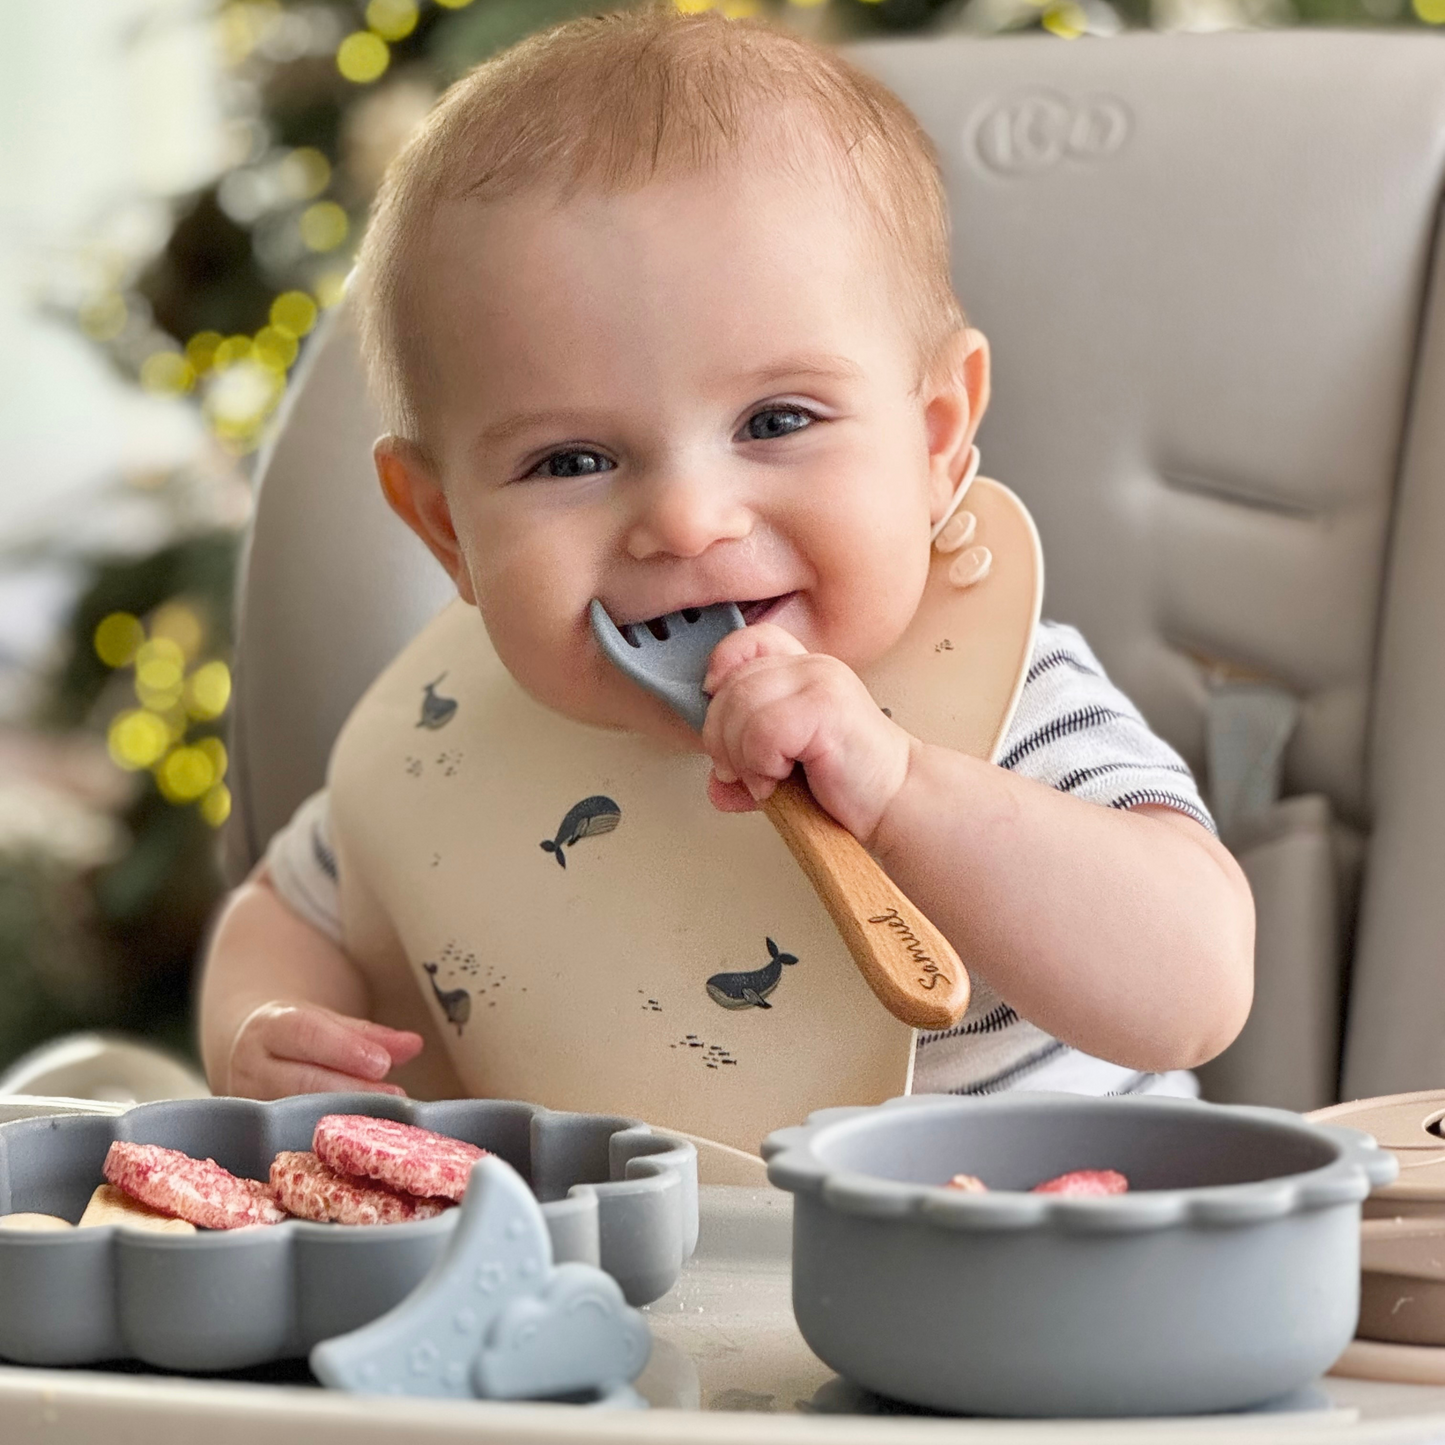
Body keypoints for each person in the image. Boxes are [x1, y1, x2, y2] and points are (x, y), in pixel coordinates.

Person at [199, 5, 1253, 1125]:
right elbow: (294, 905)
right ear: (447, 527)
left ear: (934, 438)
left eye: (775, 419)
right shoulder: (458, 734)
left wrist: (899, 790)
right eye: (572, 458)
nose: (688, 519)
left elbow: (1191, 986)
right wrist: (264, 1028)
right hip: (650, 1285)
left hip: (1040, 1260)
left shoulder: (1000, 700)